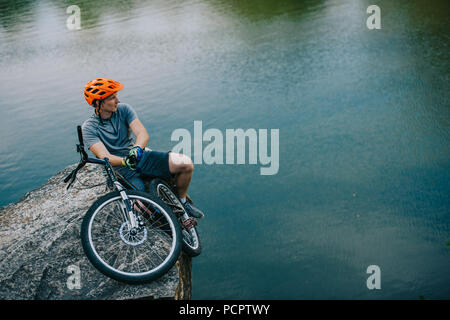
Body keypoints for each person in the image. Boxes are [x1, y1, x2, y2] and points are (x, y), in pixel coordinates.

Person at [81, 77, 204, 219]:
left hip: (140, 157)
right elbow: (104, 156)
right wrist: (125, 161)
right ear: (99, 103)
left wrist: (137, 149)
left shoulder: (124, 109)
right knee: (145, 208)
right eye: (112, 98)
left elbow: (142, 133)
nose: (118, 100)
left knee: (185, 164)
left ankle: (183, 203)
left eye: (116, 96)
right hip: (122, 171)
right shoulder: (89, 128)